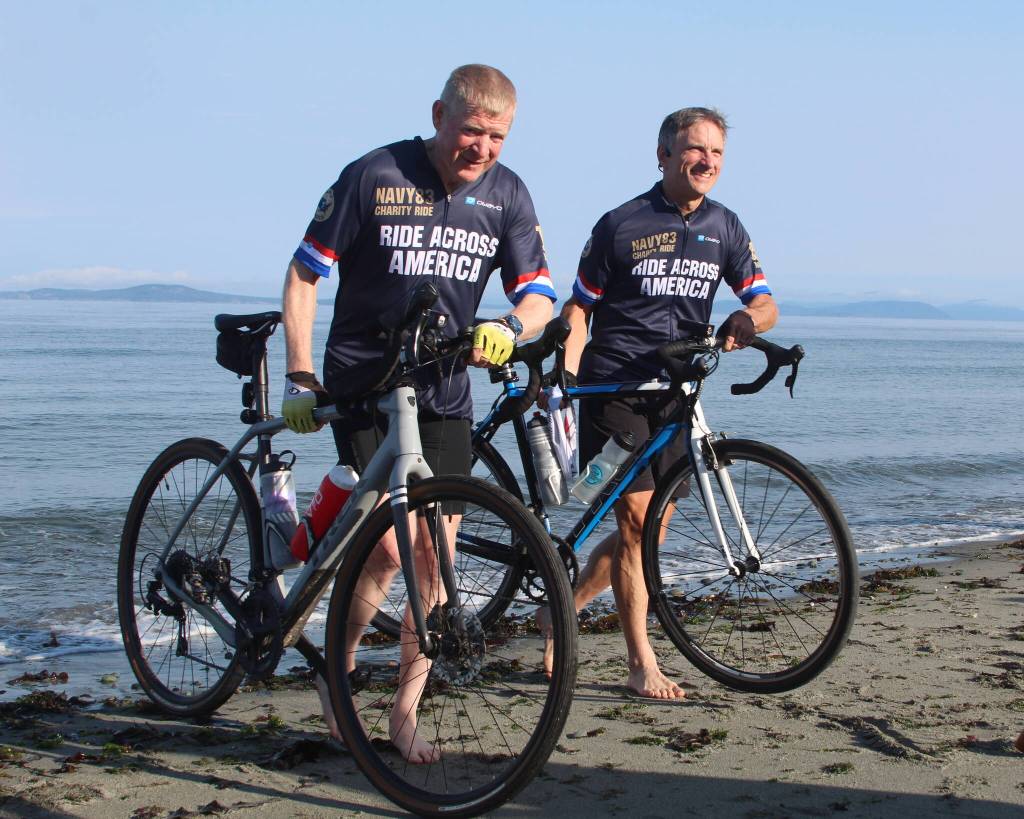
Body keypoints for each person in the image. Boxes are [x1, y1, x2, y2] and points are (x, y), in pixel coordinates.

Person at [280, 64, 556, 761]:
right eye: (471, 130)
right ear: (438, 114)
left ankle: (404, 714)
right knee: (381, 548)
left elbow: (539, 295)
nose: (483, 147)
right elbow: (304, 274)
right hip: (365, 385)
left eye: (497, 135)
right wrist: (298, 374)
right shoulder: (374, 174)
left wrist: (511, 325)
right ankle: (337, 684)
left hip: (443, 390)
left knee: (434, 559)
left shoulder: (508, 194)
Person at [541, 107, 778, 699]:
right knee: (637, 522)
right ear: (664, 154)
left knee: (652, 532)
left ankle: (558, 609)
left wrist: (747, 320)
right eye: (696, 150)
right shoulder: (620, 224)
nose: (707, 162)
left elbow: (766, 302)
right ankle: (640, 662)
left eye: (717, 154)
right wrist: (562, 379)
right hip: (615, 389)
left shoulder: (725, 227)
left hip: (677, 395)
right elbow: (578, 308)